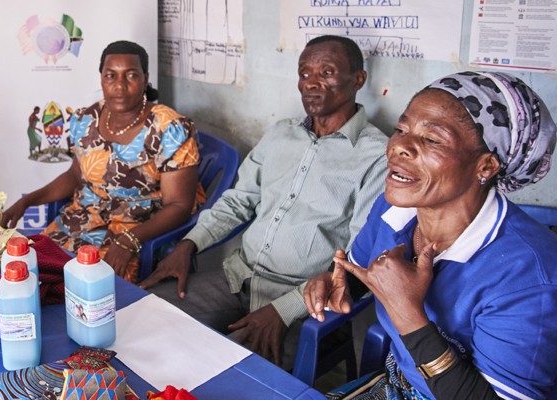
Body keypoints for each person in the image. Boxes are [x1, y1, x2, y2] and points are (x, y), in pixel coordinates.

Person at [304, 71, 557, 399]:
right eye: (402, 129)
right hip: (403, 384)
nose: (399, 147)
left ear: (486, 166)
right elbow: (363, 273)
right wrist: (335, 281)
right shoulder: (395, 211)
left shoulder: (532, 280)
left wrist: (408, 314)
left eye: (432, 139)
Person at [140, 35, 389, 367]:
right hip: (239, 278)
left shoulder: (377, 156)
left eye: (327, 72)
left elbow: (358, 260)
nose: (312, 83)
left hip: (304, 303)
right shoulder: (281, 133)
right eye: (304, 73)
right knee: (144, 317)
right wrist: (188, 245)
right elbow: (238, 201)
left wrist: (283, 310)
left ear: (358, 79)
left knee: (223, 373)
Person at [1, 40, 204, 283]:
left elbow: (179, 205)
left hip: (136, 227)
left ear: (145, 78)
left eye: (131, 75)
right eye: (111, 75)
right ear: (101, 79)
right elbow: (75, 176)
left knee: (94, 290)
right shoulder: (87, 119)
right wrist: (27, 201)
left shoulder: (169, 129)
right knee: (32, 272)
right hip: (82, 218)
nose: (120, 85)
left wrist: (130, 240)